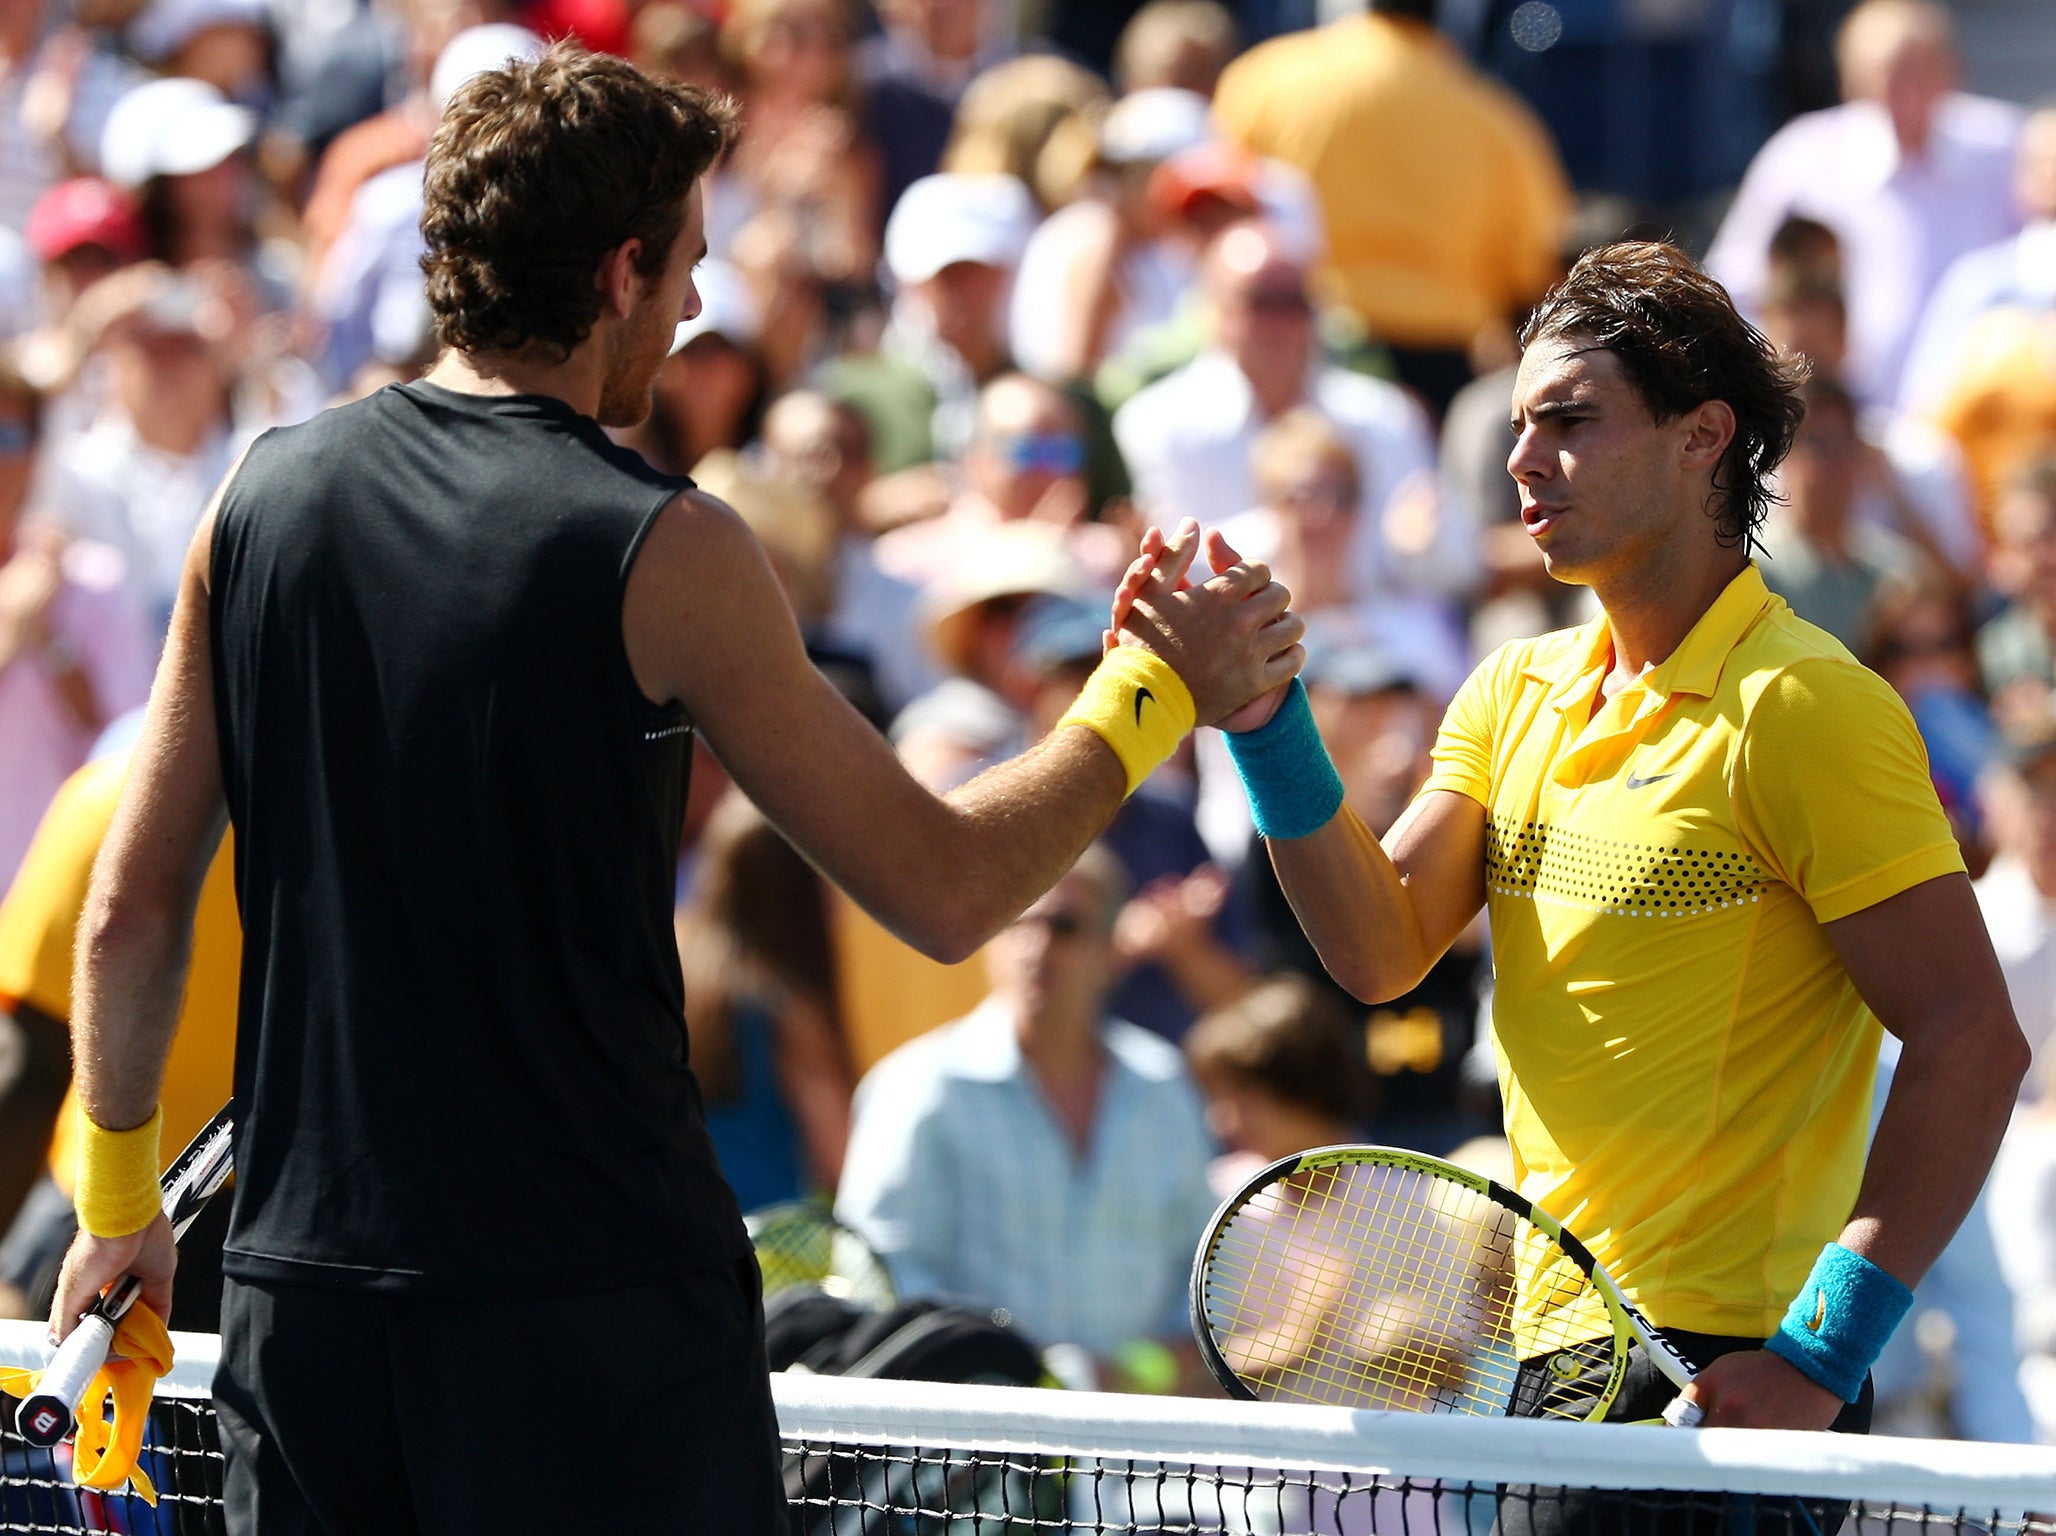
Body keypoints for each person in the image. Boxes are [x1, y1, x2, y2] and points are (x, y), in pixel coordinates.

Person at [47, 45, 1303, 1533]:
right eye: (690, 264)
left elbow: (132, 909)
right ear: (623, 269)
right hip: (597, 1324)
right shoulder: (671, 548)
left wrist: (121, 1205)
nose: (701, 304)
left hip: (309, 1320)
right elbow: (951, 889)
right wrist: (1151, 687)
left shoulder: (257, 499)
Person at [1114, 241, 2027, 1470]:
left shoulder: (1807, 705)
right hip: (1553, 1366)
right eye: (1516, 425)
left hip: (1737, 1375)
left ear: (1703, 436)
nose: (1520, 461)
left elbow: (1974, 1036)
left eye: (1571, 421)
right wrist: (1270, 723)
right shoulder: (1510, 691)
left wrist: (1820, 1352)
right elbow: (1379, 950)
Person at [835, 846, 1220, 1393]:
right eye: (1016, 924)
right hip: (970, 1459)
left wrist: (1134, 1376)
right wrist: (1014, 1384)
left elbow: (1203, 1276)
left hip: (1143, 1456)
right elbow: (879, 1282)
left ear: (1110, 951)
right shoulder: (915, 1087)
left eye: (1064, 926)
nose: (1035, 948)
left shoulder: (1164, 1086)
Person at [1208, 0, 1571, 416]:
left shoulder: (1267, 80)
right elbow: (1536, 272)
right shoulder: (1495, 117)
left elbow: (1213, 218)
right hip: (1439, 369)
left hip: (1295, 336)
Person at [1704, 0, 2022, 407]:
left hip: (1980, 418)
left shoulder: (2003, 147)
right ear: (1850, 80)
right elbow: (1736, 281)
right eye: (1886, 73)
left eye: (1919, 69)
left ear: (1951, 70)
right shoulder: (1803, 155)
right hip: (1836, 427)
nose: (1903, 88)